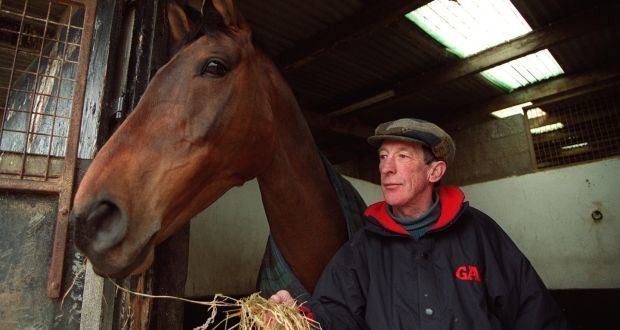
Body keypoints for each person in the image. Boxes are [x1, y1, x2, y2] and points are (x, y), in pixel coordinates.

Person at [269, 118, 567, 329]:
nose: (386, 168)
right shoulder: (363, 247)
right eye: (383, 156)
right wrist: (299, 316)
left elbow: (533, 312)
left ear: (434, 171)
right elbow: (338, 312)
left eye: (402, 156)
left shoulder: (480, 234)